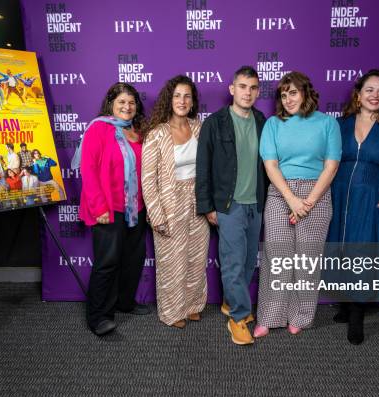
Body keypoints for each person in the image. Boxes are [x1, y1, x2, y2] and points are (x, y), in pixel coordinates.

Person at [326, 69, 379, 345]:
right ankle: (346, 303)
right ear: (358, 95)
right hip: (339, 195)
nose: (375, 95)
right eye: (369, 90)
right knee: (339, 248)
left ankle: (357, 313)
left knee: (362, 252)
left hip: (373, 197)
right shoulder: (340, 124)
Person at [255, 71, 341, 339]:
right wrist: (292, 200)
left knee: (307, 260)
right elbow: (270, 165)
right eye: (283, 94)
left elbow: (331, 165)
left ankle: (300, 316)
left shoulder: (328, 124)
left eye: (293, 92)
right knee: (277, 259)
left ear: (305, 93)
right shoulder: (273, 124)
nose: (288, 99)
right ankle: (269, 317)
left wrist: (309, 201)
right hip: (282, 193)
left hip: (316, 193)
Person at [196, 66, 267, 345]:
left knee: (249, 261)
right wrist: (208, 206)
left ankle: (231, 301)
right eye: (242, 86)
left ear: (258, 91)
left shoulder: (263, 121)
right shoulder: (215, 123)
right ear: (232, 89)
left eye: (252, 88)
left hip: (256, 204)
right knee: (233, 262)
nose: (247, 92)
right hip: (229, 205)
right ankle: (238, 317)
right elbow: (203, 168)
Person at [78, 82, 150, 337]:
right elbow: (88, 169)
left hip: (136, 208)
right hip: (109, 207)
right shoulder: (99, 129)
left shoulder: (138, 130)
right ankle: (98, 316)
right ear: (111, 104)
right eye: (121, 102)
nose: (127, 106)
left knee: (133, 259)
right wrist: (99, 207)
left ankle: (125, 302)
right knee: (107, 263)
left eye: (131, 102)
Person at [142, 75, 209, 328]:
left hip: (197, 200)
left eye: (187, 96)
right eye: (177, 95)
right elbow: (148, 180)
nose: (182, 101)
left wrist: (209, 203)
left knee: (196, 257)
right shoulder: (156, 134)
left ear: (193, 102)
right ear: (169, 100)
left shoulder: (199, 128)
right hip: (169, 203)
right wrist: (156, 214)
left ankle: (192, 305)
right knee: (172, 260)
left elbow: (208, 168)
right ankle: (172, 312)